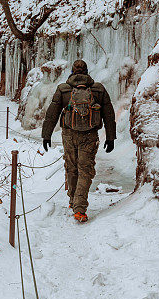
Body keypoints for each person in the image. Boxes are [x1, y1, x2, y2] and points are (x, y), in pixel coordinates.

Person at [42, 60, 116, 222]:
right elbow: (109, 115)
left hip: (68, 135)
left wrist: (46, 135)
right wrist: (110, 137)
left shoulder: (64, 89)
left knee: (71, 167)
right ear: (87, 72)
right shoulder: (98, 90)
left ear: (72, 72)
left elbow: (51, 114)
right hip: (89, 136)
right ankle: (79, 207)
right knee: (85, 169)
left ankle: (74, 200)